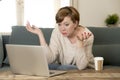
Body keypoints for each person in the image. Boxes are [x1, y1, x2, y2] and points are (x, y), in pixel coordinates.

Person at [26, 6, 94, 70]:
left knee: (63, 68)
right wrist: (40, 34)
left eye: (66, 24)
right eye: (59, 24)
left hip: (84, 70)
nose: (62, 29)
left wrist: (80, 43)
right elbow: (49, 59)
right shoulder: (57, 32)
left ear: (75, 23)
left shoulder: (87, 35)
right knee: (46, 66)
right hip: (64, 68)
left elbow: (81, 66)